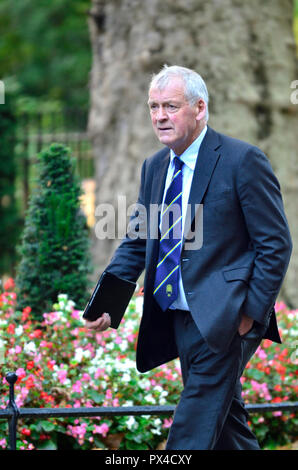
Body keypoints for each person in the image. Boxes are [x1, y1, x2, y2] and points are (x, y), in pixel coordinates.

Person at [85, 65, 292, 450]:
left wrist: (251, 312)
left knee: (192, 427)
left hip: (227, 317)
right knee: (227, 425)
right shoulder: (154, 167)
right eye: (154, 106)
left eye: (171, 106)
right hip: (176, 315)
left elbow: (275, 243)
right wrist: (109, 302)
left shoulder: (242, 161)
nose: (160, 116)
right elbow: (138, 239)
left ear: (199, 108)